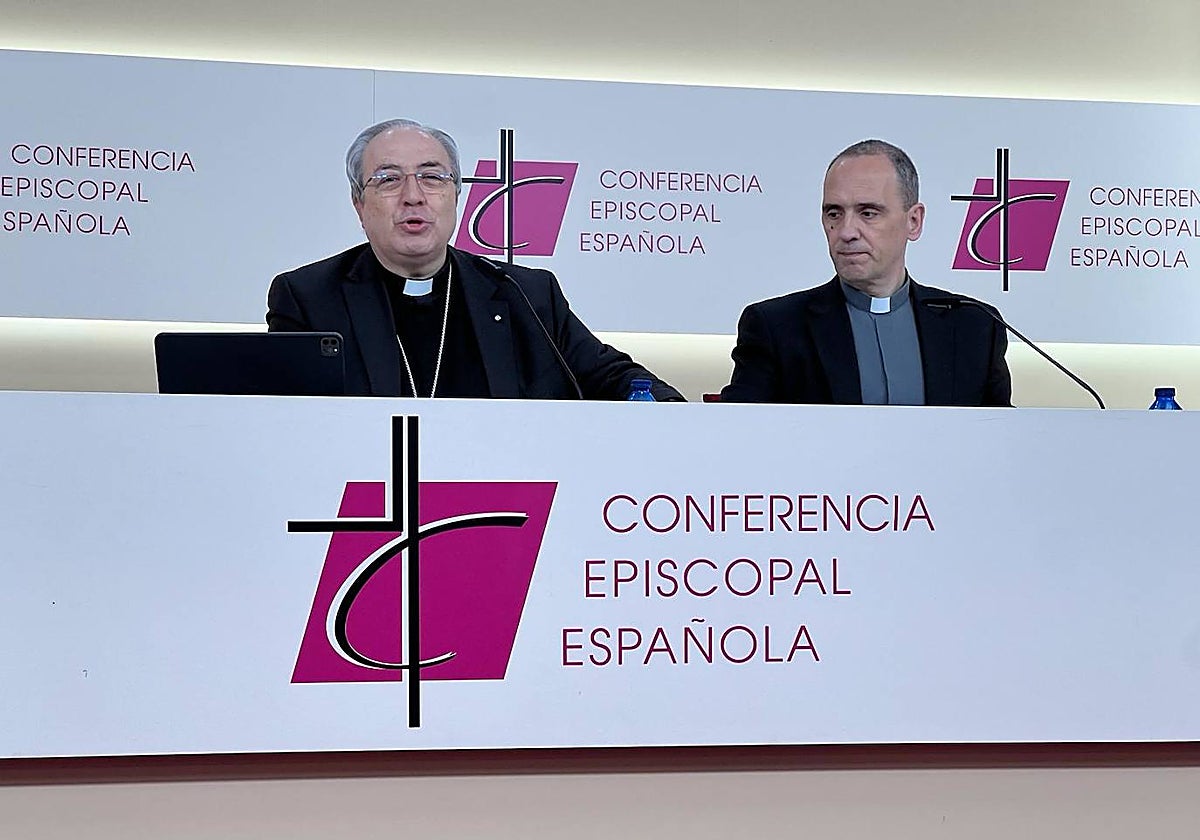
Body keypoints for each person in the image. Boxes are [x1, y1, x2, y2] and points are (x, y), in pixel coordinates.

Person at [268, 118, 683, 401]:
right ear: (359, 203)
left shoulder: (523, 293)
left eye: (432, 177)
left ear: (457, 196)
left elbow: (611, 377)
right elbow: (281, 420)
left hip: (511, 499)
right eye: (388, 180)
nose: (413, 195)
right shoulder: (308, 297)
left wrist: (671, 413)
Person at [721, 139, 1010, 406]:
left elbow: (1000, 443)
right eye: (834, 213)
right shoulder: (776, 327)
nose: (846, 232)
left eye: (868, 212)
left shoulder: (976, 327)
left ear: (914, 221)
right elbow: (743, 437)